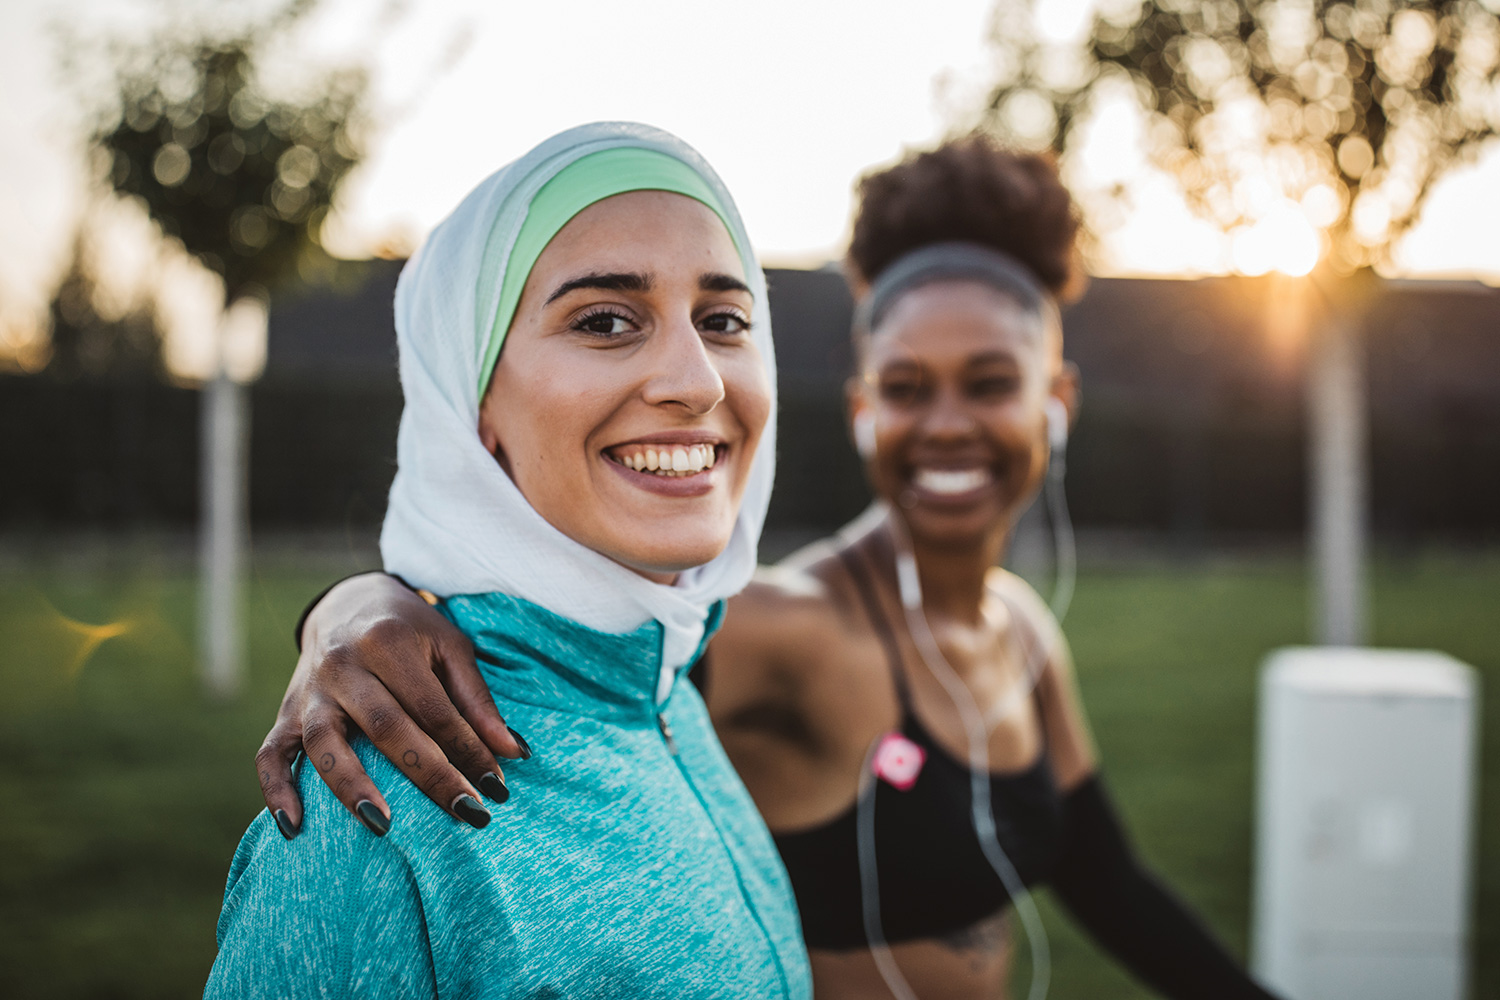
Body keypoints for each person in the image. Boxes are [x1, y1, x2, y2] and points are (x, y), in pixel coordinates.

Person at [258, 136, 1280, 999]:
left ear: (1058, 400)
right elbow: (560, 651)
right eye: (908, 385)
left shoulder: (1021, 635)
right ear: (858, 407)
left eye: (991, 383)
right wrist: (352, 608)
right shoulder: (785, 629)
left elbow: (1108, 881)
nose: (950, 424)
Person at [206, 121, 812, 999]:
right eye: (605, 320)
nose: (699, 380)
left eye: (724, 320)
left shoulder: (664, 696)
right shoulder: (372, 816)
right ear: (471, 402)